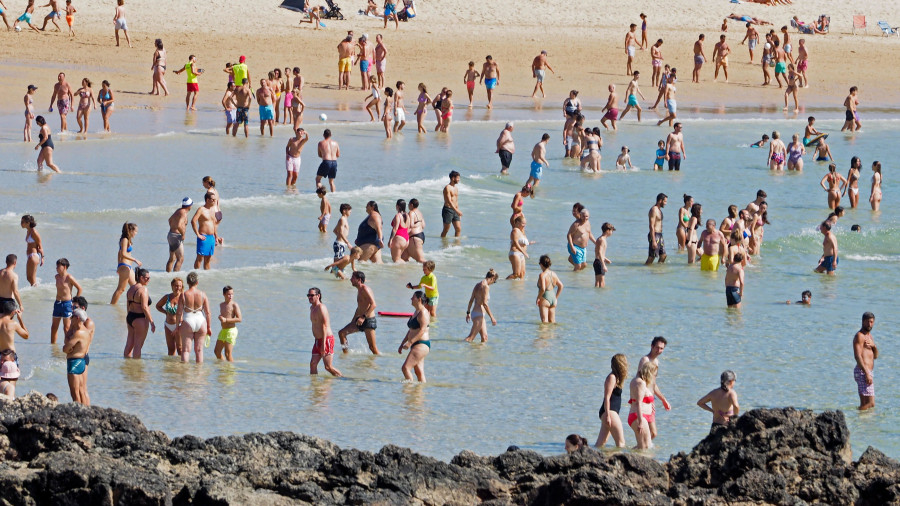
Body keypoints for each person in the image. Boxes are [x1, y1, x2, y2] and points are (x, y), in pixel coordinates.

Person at [637, 336, 671, 441]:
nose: (659, 350)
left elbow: (653, 384)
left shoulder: (656, 362)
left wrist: (663, 400)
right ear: (652, 346)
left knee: (654, 433)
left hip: (651, 400)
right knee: (647, 433)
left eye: (661, 348)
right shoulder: (645, 360)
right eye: (657, 347)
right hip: (643, 400)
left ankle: (640, 450)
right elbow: (640, 382)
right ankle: (641, 450)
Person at [337, 271, 380, 354]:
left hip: (368, 320)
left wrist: (363, 317)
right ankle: (345, 355)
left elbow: (373, 304)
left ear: (359, 279)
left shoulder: (365, 289)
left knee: (372, 348)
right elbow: (360, 307)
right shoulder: (359, 290)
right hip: (359, 319)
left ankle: (378, 365)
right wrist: (353, 320)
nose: (350, 279)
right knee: (342, 333)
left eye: (353, 278)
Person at [176, 271, 211, 364]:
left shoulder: (183, 294)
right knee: (199, 350)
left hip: (188, 320)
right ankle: (199, 374)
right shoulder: (203, 294)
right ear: (197, 282)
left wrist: (177, 326)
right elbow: (208, 313)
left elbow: (179, 312)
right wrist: (209, 327)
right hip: (201, 320)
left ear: (187, 282)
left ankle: (185, 374)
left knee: (186, 350)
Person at [62, 300, 91, 405]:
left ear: (77, 318)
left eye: (72, 317)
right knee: (81, 390)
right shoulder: (85, 331)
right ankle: (85, 411)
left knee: (74, 392)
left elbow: (65, 348)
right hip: (81, 360)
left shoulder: (78, 333)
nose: (70, 318)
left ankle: (78, 412)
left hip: (74, 361)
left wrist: (68, 348)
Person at [596, 353, 628, 448]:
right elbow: (607, 397)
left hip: (609, 412)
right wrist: (608, 415)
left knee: (600, 443)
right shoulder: (612, 377)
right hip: (609, 412)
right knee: (621, 443)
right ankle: (620, 462)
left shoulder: (617, 378)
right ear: (621, 364)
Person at [307, 287, 341, 376]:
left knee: (328, 367)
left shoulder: (321, 307)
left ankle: (343, 380)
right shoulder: (312, 308)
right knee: (313, 364)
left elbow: (325, 326)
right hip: (318, 340)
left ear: (318, 296)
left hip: (326, 340)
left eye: (311, 295)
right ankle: (315, 386)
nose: (309, 297)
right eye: (308, 295)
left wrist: (323, 345)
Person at [398, 291, 430, 382]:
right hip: (416, 344)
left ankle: (410, 390)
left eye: (413, 297)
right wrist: (402, 343)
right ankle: (419, 394)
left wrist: (410, 342)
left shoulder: (423, 313)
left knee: (405, 368)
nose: (411, 299)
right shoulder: (416, 311)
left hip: (421, 344)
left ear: (419, 299)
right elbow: (411, 330)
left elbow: (422, 330)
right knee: (419, 372)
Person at [123, 267, 155, 358]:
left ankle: (127, 366)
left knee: (129, 344)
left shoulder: (131, 289)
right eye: (147, 278)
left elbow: (128, 305)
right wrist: (151, 322)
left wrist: (128, 317)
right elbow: (144, 307)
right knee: (138, 345)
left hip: (130, 317)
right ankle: (136, 369)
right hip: (140, 318)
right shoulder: (143, 290)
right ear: (141, 278)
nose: (148, 280)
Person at [50, 258, 81, 344]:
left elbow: (79, 288)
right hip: (57, 303)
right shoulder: (56, 277)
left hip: (67, 304)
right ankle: (52, 348)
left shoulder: (69, 277)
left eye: (58, 266)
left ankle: (68, 346)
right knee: (54, 327)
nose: (56, 268)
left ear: (64, 267)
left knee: (66, 328)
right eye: (56, 266)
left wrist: (75, 302)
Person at [463, 269, 498, 343]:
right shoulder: (485, 287)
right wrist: (492, 317)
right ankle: (458, 349)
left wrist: (468, 313)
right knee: (470, 338)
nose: (492, 283)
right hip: (479, 315)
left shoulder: (477, 285)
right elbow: (485, 304)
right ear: (492, 278)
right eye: (494, 282)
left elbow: (471, 300)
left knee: (484, 337)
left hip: (475, 313)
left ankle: (479, 353)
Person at [628, 361, 657, 449]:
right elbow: (638, 403)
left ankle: (629, 455)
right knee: (646, 446)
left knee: (643, 445)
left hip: (640, 416)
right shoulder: (640, 383)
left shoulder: (638, 381)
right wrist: (640, 422)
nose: (654, 377)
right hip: (638, 416)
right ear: (649, 372)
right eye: (654, 374)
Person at [852, 312, 877, 410]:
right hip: (863, 371)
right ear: (863, 322)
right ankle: (858, 415)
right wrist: (866, 372)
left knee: (864, 403)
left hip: (867, 371)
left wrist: (874, 346)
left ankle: (861, 421)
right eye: (867, 322)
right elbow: (857, 356)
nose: (869, 324)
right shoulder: (860, 336)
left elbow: (875, 356)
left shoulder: (870, 336)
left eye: (871, 322)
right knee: (871, 403)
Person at [109, 222, 139, 304]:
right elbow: (123, 253)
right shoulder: (124, 239)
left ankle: (134, 305)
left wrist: (118, 265)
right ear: (131, 230)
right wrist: (135, 260)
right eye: (135, 231)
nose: (136, 233)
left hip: (128, 267)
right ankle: (112, 306)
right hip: (125, 266)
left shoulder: (128, 240)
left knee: (136, 287)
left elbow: (119, 253)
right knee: (121, 289)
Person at [191, 192, 222, 270]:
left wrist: (216, 236)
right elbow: (193, 221)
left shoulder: (213, 209)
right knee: (199, 258)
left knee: (208, 260)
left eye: (215, 199)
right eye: (213, 199)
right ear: (207, 200)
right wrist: (198, 234)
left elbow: (214, 224)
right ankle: (195, 276)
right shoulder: (201, 209)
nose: (215, 201)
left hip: (211, 237)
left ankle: (206, 277)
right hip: (203, 237)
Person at [155, 277, 183, 356]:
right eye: (176, 285)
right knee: (171, 349)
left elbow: (189, 310)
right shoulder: (167, 297)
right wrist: (165, 313)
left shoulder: (183, 297)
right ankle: (171, 367)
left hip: (179, 325)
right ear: (172, 286)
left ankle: (182, 367)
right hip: (168, 325)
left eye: (180, 286)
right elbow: (158, 306)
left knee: (180, 349)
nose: (178, 288)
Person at [214, 286, 241, 362]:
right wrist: (220, 317)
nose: (231, 296)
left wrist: (226, 320)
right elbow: (223, 315)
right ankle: (224, 367)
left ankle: (230, 371)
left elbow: (239, 319)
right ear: (224, 294)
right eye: (229, 294)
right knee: (217, 352)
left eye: (232, 294)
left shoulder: (234, 305)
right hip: (223, 330)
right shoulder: (221, 305)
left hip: (231, 330)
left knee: (227, 354)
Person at [165, 198, 192, 272]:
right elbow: (179, 225)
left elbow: (169, 220)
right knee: (180, 259)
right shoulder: (184, 213)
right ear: (189, 206)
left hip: (171, 235)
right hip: (176, 236)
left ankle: (168, 275)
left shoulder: (178, 210)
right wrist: (183, 234)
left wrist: (172, 228)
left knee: (172, 258)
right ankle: (175, 277)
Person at [536, 255, 563, 323]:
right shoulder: (554, 274)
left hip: (545, 298)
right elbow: (561, 286)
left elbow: (543, 289)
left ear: (541, 264)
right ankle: (553, 334)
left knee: (544, 322)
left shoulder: (542, 275)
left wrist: (538, 298)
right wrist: (556, 297)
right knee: (552, 322)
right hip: (553, 299)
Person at [507, 215, 531, 280]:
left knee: (522, 274)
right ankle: (504, 282)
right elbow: (515, 242)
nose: (524, 225)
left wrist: (530, 243)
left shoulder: (521, 232)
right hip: (515, 253)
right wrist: (524, 252)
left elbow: (523, 242)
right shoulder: (515, 230)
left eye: (525, 223)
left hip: (521, 254)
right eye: (523, 223)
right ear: (517, 223)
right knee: (516, 274)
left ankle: (520, 289)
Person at [646, 193, 667, 264]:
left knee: (663, 255)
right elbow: (651, 226)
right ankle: (645, 270)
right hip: (654, 235)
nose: (665, 203)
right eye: (665, 201)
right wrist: (654, 241)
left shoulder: (659, 210)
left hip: (660, 235)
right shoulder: (654, 210)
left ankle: (657, 271)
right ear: (660, 200)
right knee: (652, 257)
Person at [440, 171, 462, 238]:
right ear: (453, 178)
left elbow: (456, 200)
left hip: (455, 210)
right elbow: (449, 201)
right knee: (446, 230)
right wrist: (457, 210)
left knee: (458, 229)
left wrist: (457, 210)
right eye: (457, 178)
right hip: (448, 210)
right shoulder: (447, 188)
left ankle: (456, 244)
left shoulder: (456, 188)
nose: (459, 179)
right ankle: (443, 243)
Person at [593, 223, 615, 288]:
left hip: (597, 261)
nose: (612, 233)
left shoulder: (600, 239)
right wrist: (603, 265)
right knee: (601, 282)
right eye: (612, 231)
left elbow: (597, 252)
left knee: (597, 282)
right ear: (608, 230)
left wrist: (606, 259)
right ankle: (601, 296)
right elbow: (599, 252)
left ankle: (597, 295)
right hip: (599, 262)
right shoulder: (602, 240)